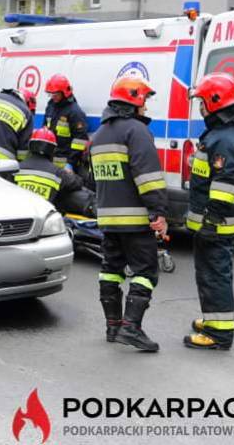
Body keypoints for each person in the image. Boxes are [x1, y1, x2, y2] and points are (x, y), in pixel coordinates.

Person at [91, 75, 168, 352]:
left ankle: (113, 325)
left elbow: (95, 179)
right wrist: (158, 212)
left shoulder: (99, 135)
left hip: (108, 220)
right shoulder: (136, 131)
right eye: (144, 100)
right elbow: (148, 177)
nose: (146, 106)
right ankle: (131, 328)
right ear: (134, 100)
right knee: (145, 272)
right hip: (136, 220)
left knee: (111, 270)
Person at [184, 72, 234, 351]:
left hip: (216, 223)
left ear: (215, 102)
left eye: (202, 101)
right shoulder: (222, 134)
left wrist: (210, 220)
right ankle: (212, 321)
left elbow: (226, 186)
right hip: (213, 222)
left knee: (214, 274)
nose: (200, 106)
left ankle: (219, 334)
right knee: (209, 272)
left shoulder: (225, 139)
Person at [13, 128, 83, 211]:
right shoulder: (58, 173)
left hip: (18, 214)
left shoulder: (16, 169)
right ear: (53, 149)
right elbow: (78, 182)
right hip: (43, 219)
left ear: (30, 145)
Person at [43, 74, 89, 170]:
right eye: (51, 94)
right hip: (49, 159)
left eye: (55, 94)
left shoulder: (74, 112)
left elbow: (80, 140)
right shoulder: (51, 106)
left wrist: (71, 164)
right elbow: (44, 128)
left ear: (64, 93)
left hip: (65, 164)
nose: (53, 97)